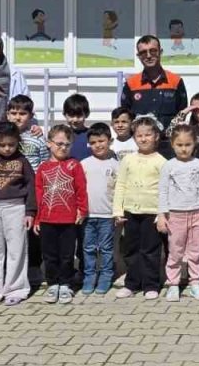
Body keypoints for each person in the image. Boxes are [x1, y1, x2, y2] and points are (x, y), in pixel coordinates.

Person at [0, 121, 36, 307]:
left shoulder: (23, 162)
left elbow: (31, 187)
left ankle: (16, 289)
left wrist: (30, 211)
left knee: (17, 250)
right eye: (2, 145)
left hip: (16, 208)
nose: (7, 148)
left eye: (11, 144)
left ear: (17, 142)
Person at [157, 125, 199, 302]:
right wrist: (161, 215)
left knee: (195, 251)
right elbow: (163, 192)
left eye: (188, 144)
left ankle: (195, 283)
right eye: (180, 144)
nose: (184, 148)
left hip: (197, 213)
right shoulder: (168, 166)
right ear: (173, 145)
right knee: (175, 251)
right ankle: (173, 284)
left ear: (194, 144)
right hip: (175, 215)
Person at [112, 116, 166, 299]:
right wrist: (118, 211)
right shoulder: (128, 159)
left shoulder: (161, 161)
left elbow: (165, 190)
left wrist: (162, 213)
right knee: (131, 249)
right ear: (134, 137)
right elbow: (120, 184)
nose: (143, 139)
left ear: (156, 136)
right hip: (130, 212)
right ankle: (132, 283)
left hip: (152, 213)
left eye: (148, 135)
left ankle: (151, 284)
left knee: (150, 250)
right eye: (139, 135)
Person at [35, 125, 88, 305]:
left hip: (68, 219)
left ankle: (65, 283)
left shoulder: (75, 165)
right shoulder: (43, 167)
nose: (63, 147)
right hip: (47, 218)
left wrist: (82, 209)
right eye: (59, 143)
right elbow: (39, 194)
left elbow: (81, 190)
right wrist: (37, 218)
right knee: (49, 254)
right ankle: (52, 283)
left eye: (67, 144)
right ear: (49, 143)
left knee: (67, 254)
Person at [8, 95, 49, 287]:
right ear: (7, 114)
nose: (17, 117)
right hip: (10, 192)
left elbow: (44, 164)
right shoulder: (3, 137)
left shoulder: (37, 139)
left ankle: (34, 266)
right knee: (11, 231)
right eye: (13, 113)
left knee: (33, 230)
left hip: (32, 191)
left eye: (22, 113)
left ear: (31, 116)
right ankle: (12, 269)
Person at [119, 35, 189, 135]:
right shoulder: (131, 84)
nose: (148, 56)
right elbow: (126, 116)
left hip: (169, 142)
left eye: (153, 51)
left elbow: (181, 114)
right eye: (143, 53)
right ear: (138, 56)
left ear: (160, 52)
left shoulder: (176, 81)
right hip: (141, 143)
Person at [81, 123, 119, 296]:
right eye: (93, 142)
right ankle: (89, 277)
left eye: (101, 141)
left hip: (107, 215)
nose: (98, 145)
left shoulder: (116, 164)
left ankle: (105, 277)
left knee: (106, 248)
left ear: (109, 141)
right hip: (88, 215)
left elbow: (120, 190)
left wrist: (118, 212)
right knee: (88, 248)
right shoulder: (84, 164)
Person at [62, 94, 92, 161]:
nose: (75, 120)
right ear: (64, 114)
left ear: (87, 114)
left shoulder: (92, 134)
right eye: (71, 115)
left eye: (79, 116)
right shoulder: (61, 135)